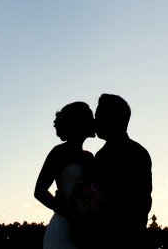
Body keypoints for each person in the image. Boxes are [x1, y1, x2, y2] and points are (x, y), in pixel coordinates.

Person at [91, 94, 152, 248]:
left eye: (98, 116)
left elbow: (142, 203)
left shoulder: (137, 153)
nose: (95, 121)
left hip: (127, 239)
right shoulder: (99, 155)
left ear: (112, 119)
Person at [35, 102, 96, 249]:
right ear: (79, 122)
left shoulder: (90, 157)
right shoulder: (59, 152)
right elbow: (39, 192)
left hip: (85, 231)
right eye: (90, 117)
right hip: (62, 229)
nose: (94, 121)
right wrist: (71, 213)